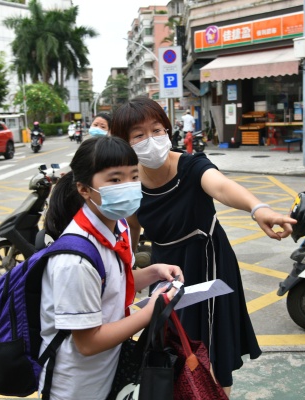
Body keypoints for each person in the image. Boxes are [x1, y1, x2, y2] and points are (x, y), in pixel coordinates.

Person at [111, 97, 297, 395]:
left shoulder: (191, 165)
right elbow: (131, 229)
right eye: (139, 135)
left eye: (156, 130)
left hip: (207, 261)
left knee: (212, 349)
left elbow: (221, 186)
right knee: (171, 346)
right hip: (165, 269)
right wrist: (127, 272)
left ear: (167, 130)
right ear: (124, 143)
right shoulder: (131, 183)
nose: (151, 140)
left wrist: (258, 208)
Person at [39, 135, 183, 399]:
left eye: (134, 176)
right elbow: (88, 342)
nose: (128, 186)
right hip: (75, 388)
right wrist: (151, 311)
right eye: (115, 180)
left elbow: (112, 282)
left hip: (109, 374)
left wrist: (153, 273)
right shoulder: (75, 260)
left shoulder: (119, 226)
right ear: (84, 189)